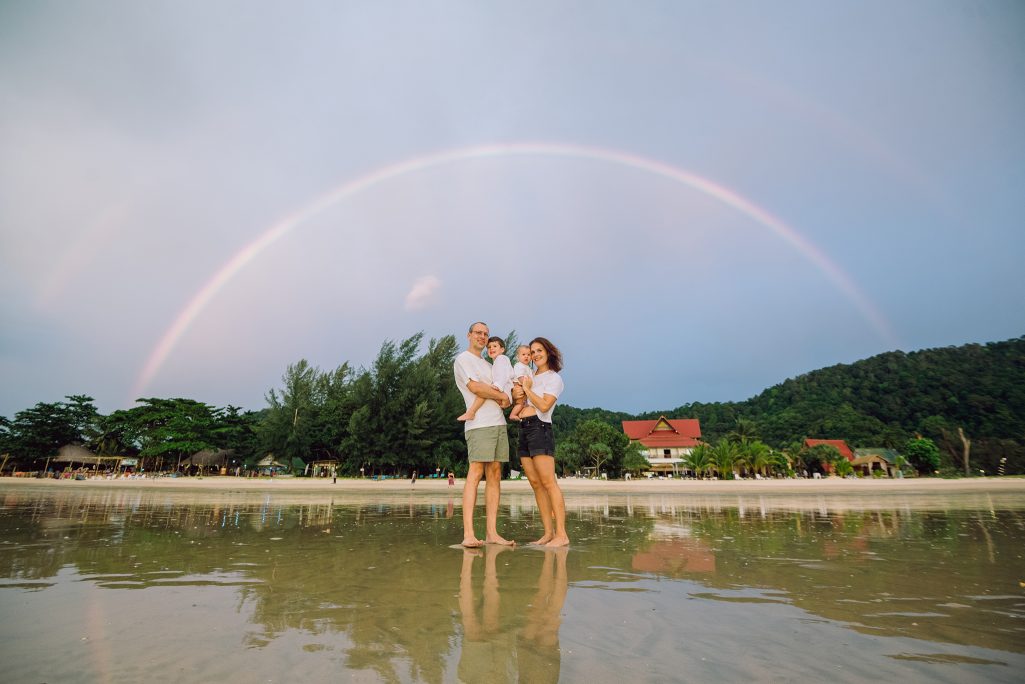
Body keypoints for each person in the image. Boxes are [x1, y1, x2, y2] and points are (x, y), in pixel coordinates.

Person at [453, 321, 515, 548]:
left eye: (486, 334)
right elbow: (475, 388)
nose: (482, 337)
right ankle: (469, 534)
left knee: (496, 474)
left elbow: (506, 398)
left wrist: (503, 397)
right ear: (469, 335)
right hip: (479, 425)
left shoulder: (491, 365)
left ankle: (491, 533)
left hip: (499, 424)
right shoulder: (463, 359)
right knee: (476, 472)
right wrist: (498, 396)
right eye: (478, 333)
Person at [513, 337, 569, 547]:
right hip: (524, 427)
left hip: (540, 427)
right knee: (535, 484)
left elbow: (544, 406)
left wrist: (527, 390)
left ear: (548, 352)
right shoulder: (529, 374)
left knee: (548, 483)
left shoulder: (553, 378)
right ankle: (548, 533)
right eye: (532, 351)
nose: (535, 355)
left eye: (539, 350)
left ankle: (561, 535)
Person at [457, 337, 514, 422]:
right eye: (489, 347)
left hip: (504, 386)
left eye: (495, 346)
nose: (491, 349)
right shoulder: (494, 363)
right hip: (503, 388)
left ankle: (471, 412)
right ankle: (471, 412)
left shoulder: (501, 358)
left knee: (484, 391)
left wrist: (498, 386)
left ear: (502, 349)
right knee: (484, 391)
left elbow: (503, 375)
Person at [508, 345, 534, 421]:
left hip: (524, 387)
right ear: (517, 357)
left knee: (524, 403)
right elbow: (520, 377)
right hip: (519, 386)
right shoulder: (519, 365)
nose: (526, 357)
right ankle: (512, 415)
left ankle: (521, 413)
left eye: (528, 355)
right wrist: (529, 386)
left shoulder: (527, 367)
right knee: (520, 403)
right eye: (523, 355)